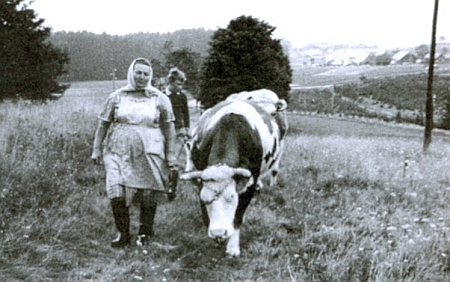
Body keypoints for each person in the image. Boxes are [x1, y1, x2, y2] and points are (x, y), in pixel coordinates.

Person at [91, 58, 176, 248]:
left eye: (146, 74)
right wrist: (96, 148)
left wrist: (171, 154)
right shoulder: (116, 96)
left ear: (150, 76)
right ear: (131, 72)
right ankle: (123, 233)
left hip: (149, 150)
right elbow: (103, 124)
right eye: (138, 72)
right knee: (116, 190)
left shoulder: (160, 98)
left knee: (147, 191)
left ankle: (144, 233)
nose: (142, 77)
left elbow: (170, 129)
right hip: (117, 150)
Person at [163, 68, 190, 192]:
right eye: (178, 84)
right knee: (163, 159)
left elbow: (186, 114)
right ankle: (162, 184)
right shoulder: (162, 96)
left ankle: (172, 189)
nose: (181, 87)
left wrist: (187, 129)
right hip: (163, 133)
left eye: (182, 84)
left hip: (179, 132)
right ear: (170, 82)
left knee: (174, 159)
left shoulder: (182, 97)